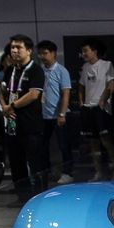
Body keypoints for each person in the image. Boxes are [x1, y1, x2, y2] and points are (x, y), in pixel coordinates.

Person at [0, 35, 47, 201]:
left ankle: (40, 197)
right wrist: (4, 107)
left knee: (35, 162)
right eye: (12, 47)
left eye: (18, 47)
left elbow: (33, 94)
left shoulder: (36, 70)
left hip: (31, 125)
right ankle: (22, 197)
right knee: (16, 162)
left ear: (29, 51)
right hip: (13, 123)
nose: (14, 51)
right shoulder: (9, 70)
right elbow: (2, 92)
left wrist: (12, 106)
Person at [77, 38, 114, 180]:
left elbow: (111, 84)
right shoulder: (85, 67)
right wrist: (81, 102)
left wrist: (103, 99)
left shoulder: (106, 65)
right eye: (82, 51)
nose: (84, 54)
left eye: (86, 51)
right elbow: (81, 86)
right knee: (93, 142)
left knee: (106, 140)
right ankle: (99, 172)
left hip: (101, 108)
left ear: (94, 51)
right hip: (88, 108)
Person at [36, 40, 74, 185]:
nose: (42, 57)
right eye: (40, 54)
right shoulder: (40, 71)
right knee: (43, 146)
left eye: (45, 53)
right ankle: (46, 171)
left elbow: (65, 94)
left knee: (64, 145)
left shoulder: (61, 71)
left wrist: (62, 114)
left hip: (58, 115)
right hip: (43, 115)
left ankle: (68, 172)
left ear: (53, 54)